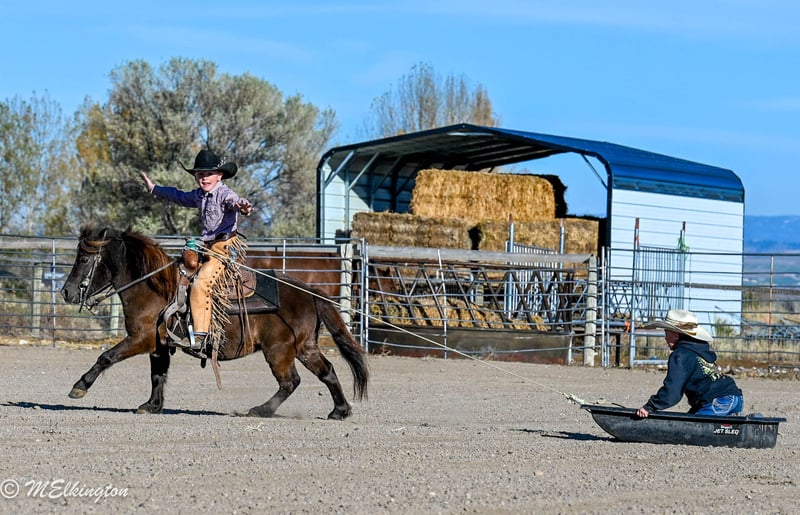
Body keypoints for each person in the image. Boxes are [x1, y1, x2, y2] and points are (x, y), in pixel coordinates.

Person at [139, 149, 252, 354]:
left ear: (219, 175)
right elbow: (178, 196)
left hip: (224, 247)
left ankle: (201, 337)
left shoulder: (225, 194)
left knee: (202, 284)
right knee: (177, 273)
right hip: (205, 246)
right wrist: (154, 188)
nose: (204, 178)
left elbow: (234, 202)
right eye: (200, 174)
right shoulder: (199, 195)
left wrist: (242, 206)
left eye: (208, 174)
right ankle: (174, 324)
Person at [636, 309, 743, 418]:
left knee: (694, 426)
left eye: (666, 333)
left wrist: (650, 406)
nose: (665, 337)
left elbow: (672, 392)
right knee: (695, 420)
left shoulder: (680, 355)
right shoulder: (700, 352)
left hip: (717, 400)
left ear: (676, 335)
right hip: (733, 395)